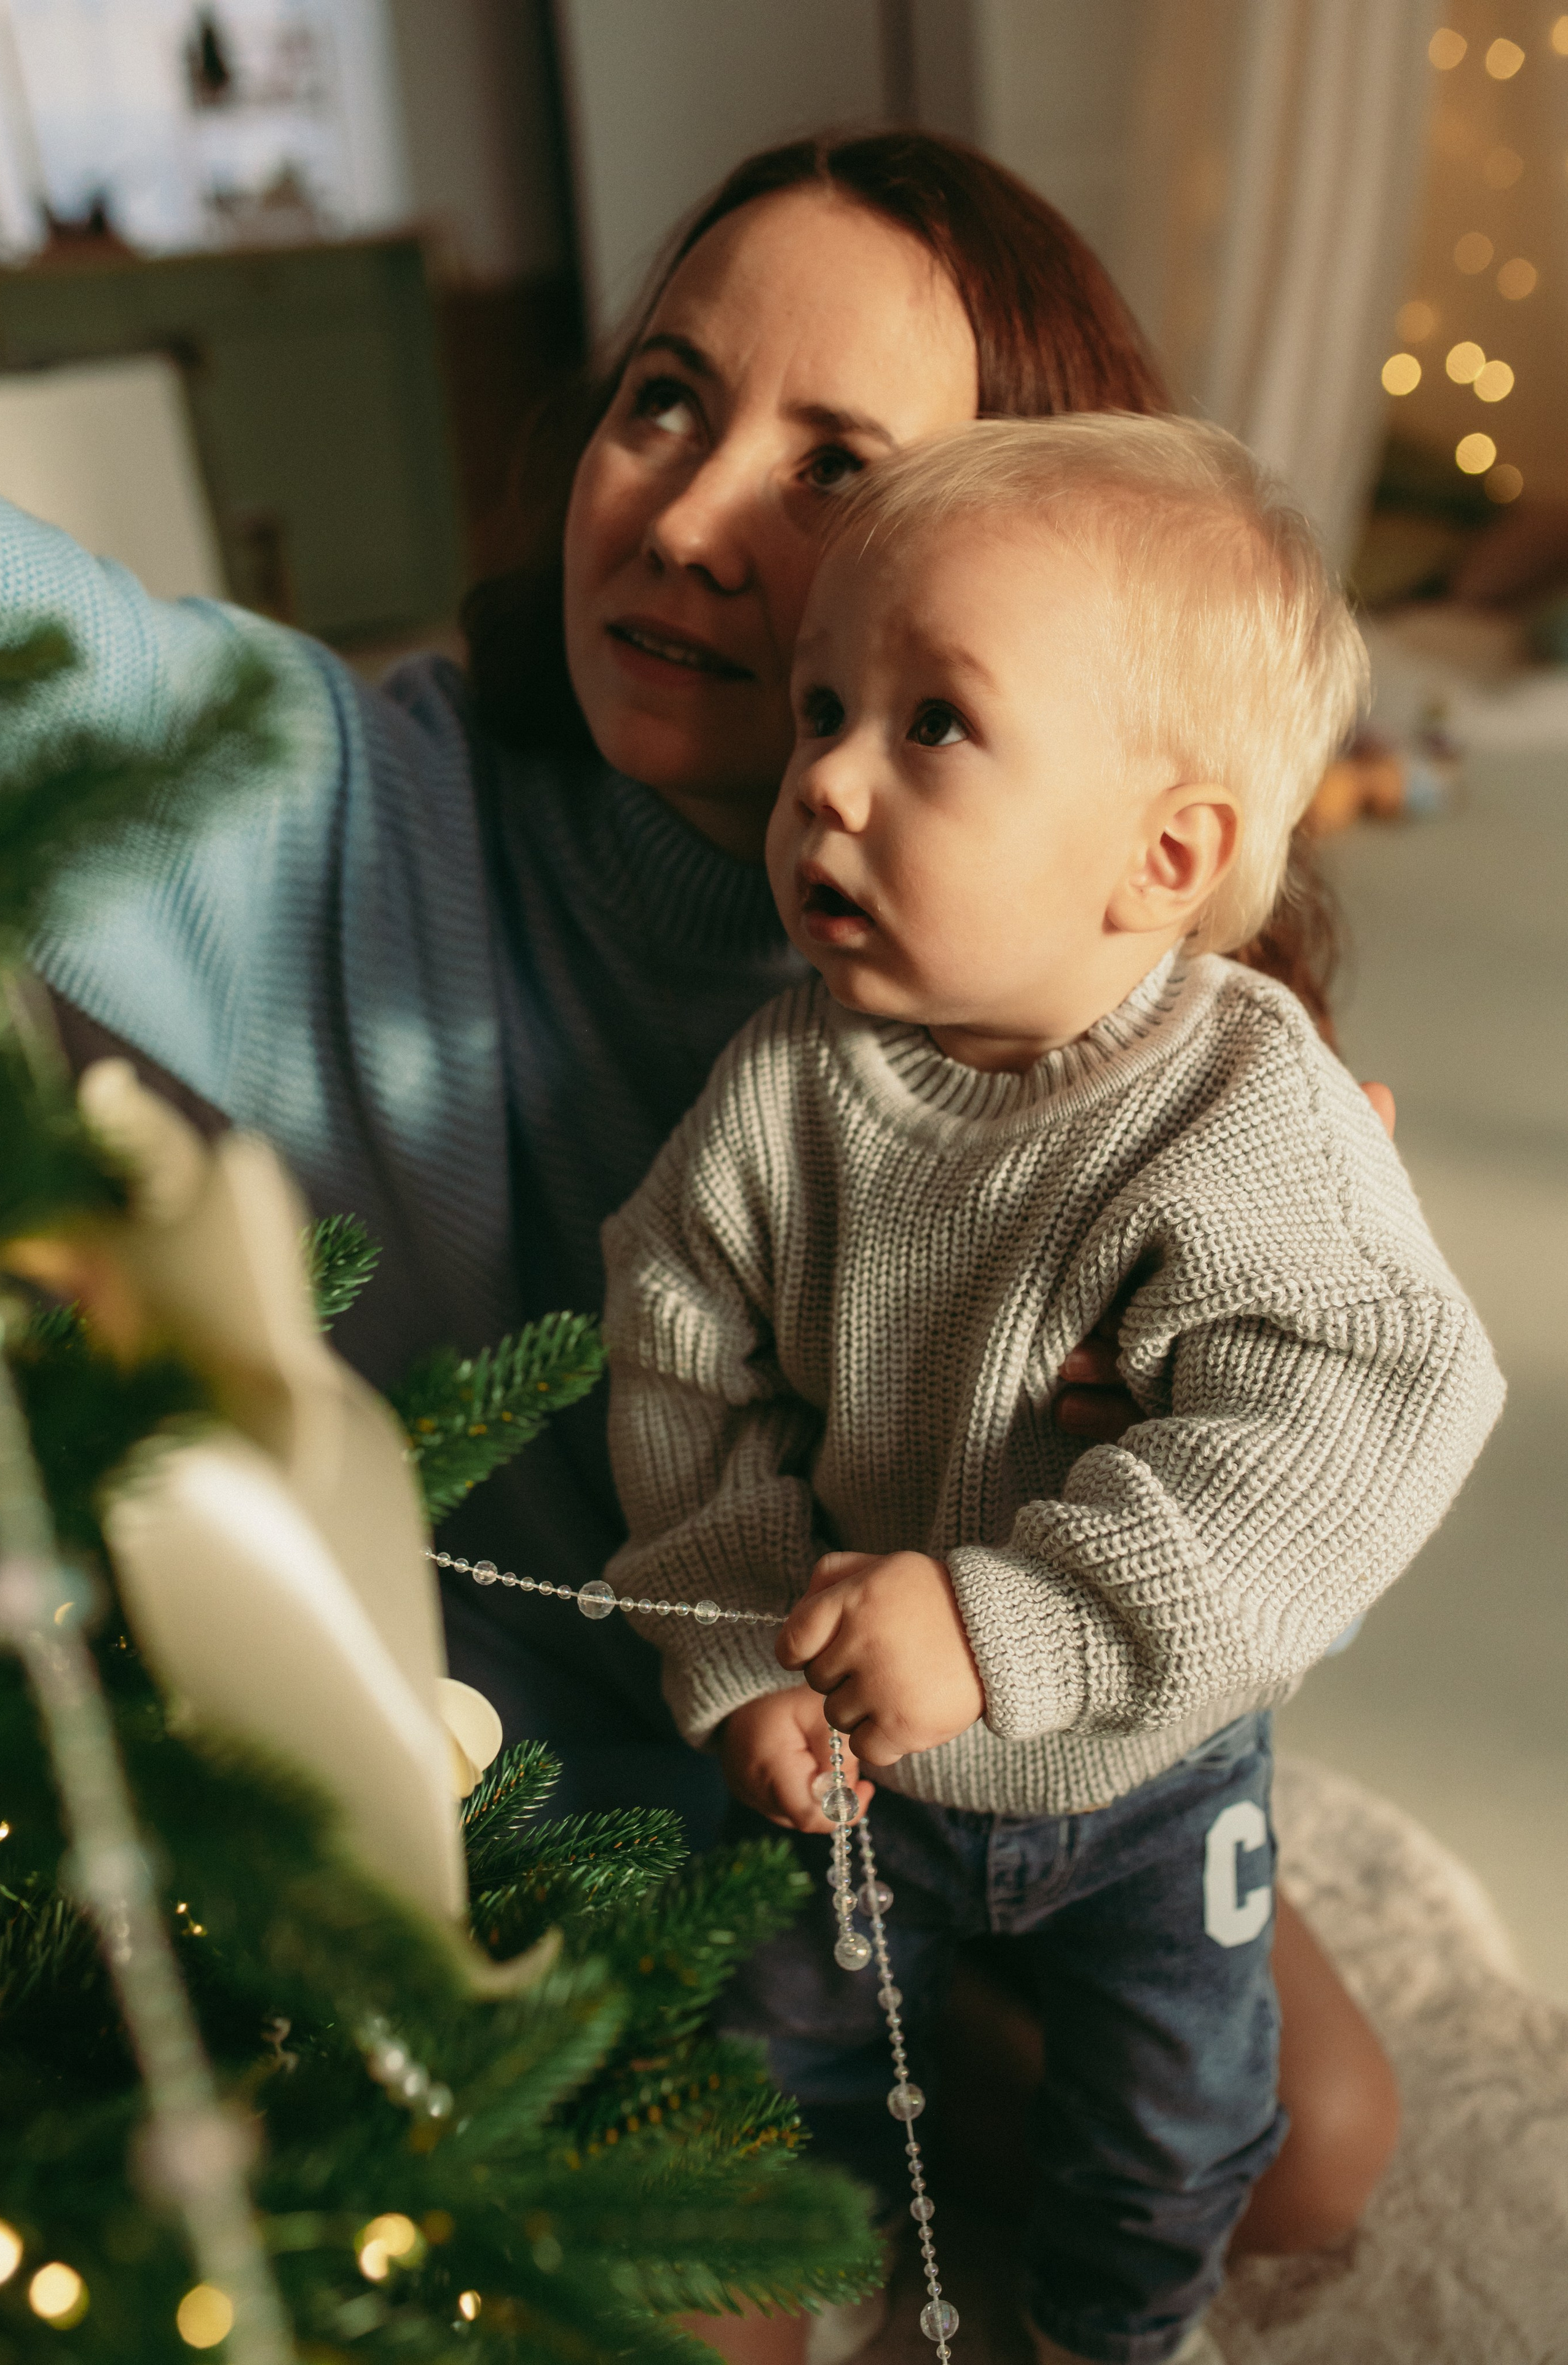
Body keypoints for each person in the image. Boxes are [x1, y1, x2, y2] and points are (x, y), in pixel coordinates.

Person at [5, 129, 1393, 2262]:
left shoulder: (1108, 994)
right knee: (730, 2290)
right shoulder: (344, 814)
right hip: (593, 1765)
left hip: (988, 1740)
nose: (686, 512)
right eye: (668, 398)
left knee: (1315, 2157)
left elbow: (1317, 1434)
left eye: (836, 465)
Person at [599, 414, 1505, 2365]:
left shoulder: (1240, 1108)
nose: (825, 774)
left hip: (1147, 1774)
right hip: (855, 1756)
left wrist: (1012, 1623)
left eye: (931, 727)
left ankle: (1114, 2329)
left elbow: (1372, 1408)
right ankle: (817, 2252)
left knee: (1182, 2124)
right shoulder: (780, 1093)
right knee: (780, 2052)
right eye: (826, 704)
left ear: (1162, 855)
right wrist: (743, 1647)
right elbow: (681, 1356)